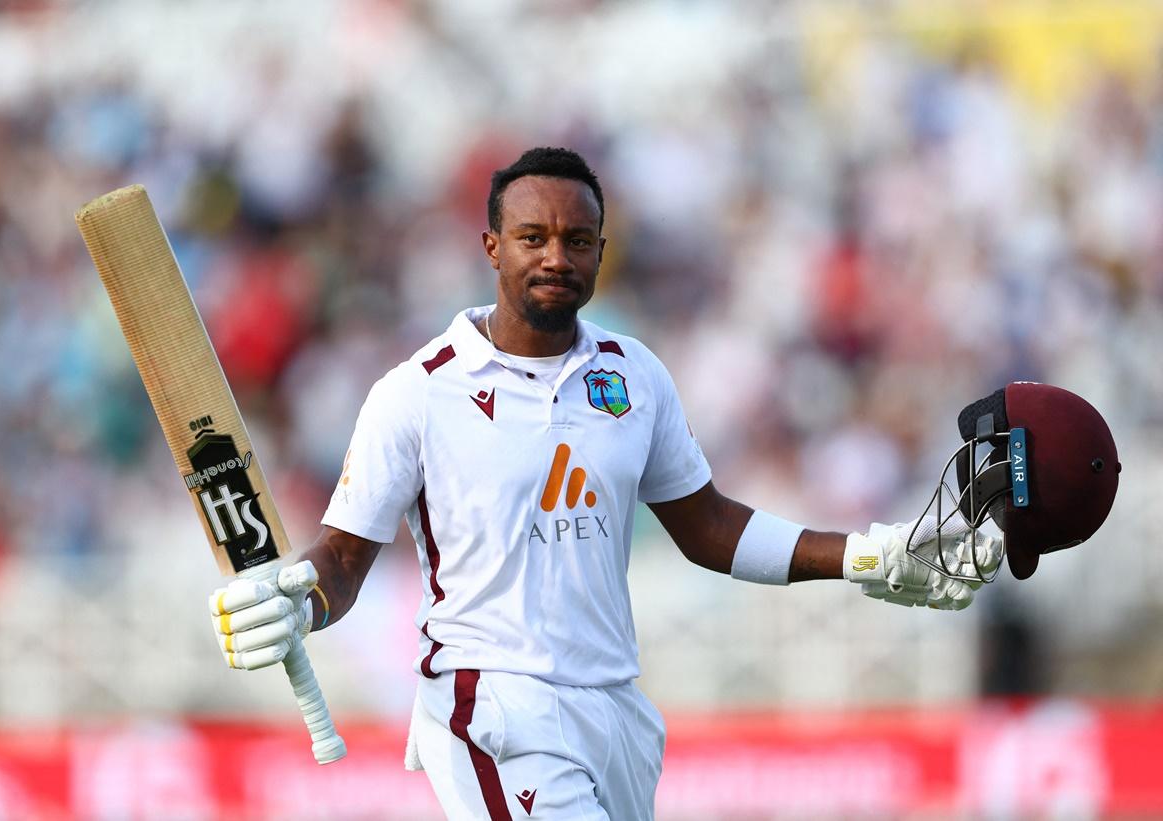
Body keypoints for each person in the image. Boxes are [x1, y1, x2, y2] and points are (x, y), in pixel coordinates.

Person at [208, 147, 1002, 820]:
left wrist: (871, 555)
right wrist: (297, 601)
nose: (556, 255)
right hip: (493, 703)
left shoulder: (633, 375)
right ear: (492, 247)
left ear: (599, 249)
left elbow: (710, 526)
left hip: (614, 708)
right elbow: (344, 560)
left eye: (577, 239)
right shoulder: (419, 390)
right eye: (533, 237)